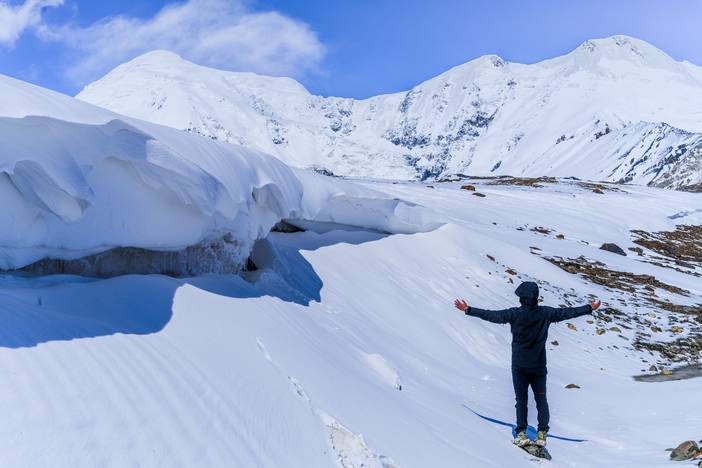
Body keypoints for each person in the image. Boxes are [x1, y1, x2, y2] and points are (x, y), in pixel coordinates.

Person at [454, 281, 600, 448]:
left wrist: (469, 310)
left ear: (522, 298)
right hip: (538, 367)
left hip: (520, 367)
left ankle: (521, 433)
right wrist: (589, 308)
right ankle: (542, 434)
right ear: (536, 297)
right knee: (541, 400)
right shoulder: (546, 313)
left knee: (521, 400)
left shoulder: (514, 314)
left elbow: (492, 315)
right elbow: (568, 313)